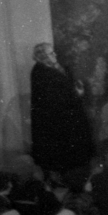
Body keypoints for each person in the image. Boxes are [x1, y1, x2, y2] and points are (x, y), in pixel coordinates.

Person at [29, 43, 93, 179]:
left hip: (62, 119)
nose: (55, 55)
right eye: (51, 53)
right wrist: (77, 94)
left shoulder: (48, 70)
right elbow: (57, 99)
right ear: (43, 57)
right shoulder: (44, 74)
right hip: (59, 122)